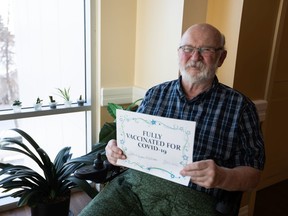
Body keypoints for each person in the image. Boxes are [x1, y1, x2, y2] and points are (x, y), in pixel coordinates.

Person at [79, 23, 265, 216]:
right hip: (133, 188)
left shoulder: (240, 107)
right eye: (188, 49)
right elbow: (130, 146)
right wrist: (114, 150)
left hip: (193, 199)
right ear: (179, 53)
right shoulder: (155, 94)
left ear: (221, 57)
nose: (195, 57)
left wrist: (223, 177)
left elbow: (253, 173)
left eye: (206, 50)